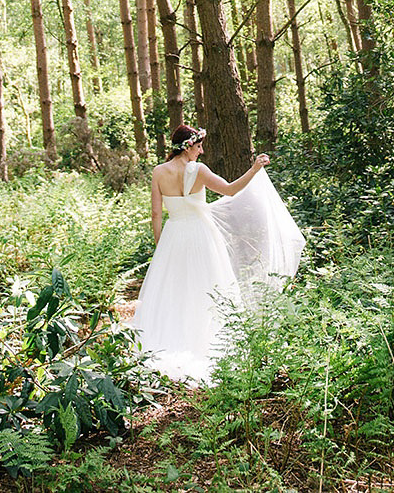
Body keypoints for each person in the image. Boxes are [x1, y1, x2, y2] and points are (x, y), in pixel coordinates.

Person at [130, 124, 305, 384]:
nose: (201, 152)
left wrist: (160, 246)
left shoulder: (158, 172)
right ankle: (204, 343)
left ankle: (169, 342)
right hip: (200, 235)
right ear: (187, 146)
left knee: (174, 289)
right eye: (198, 146)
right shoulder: (198, 171)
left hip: (173, 236)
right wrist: (255, 169)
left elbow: (156, 213)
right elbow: (232, 190)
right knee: (208, 287)